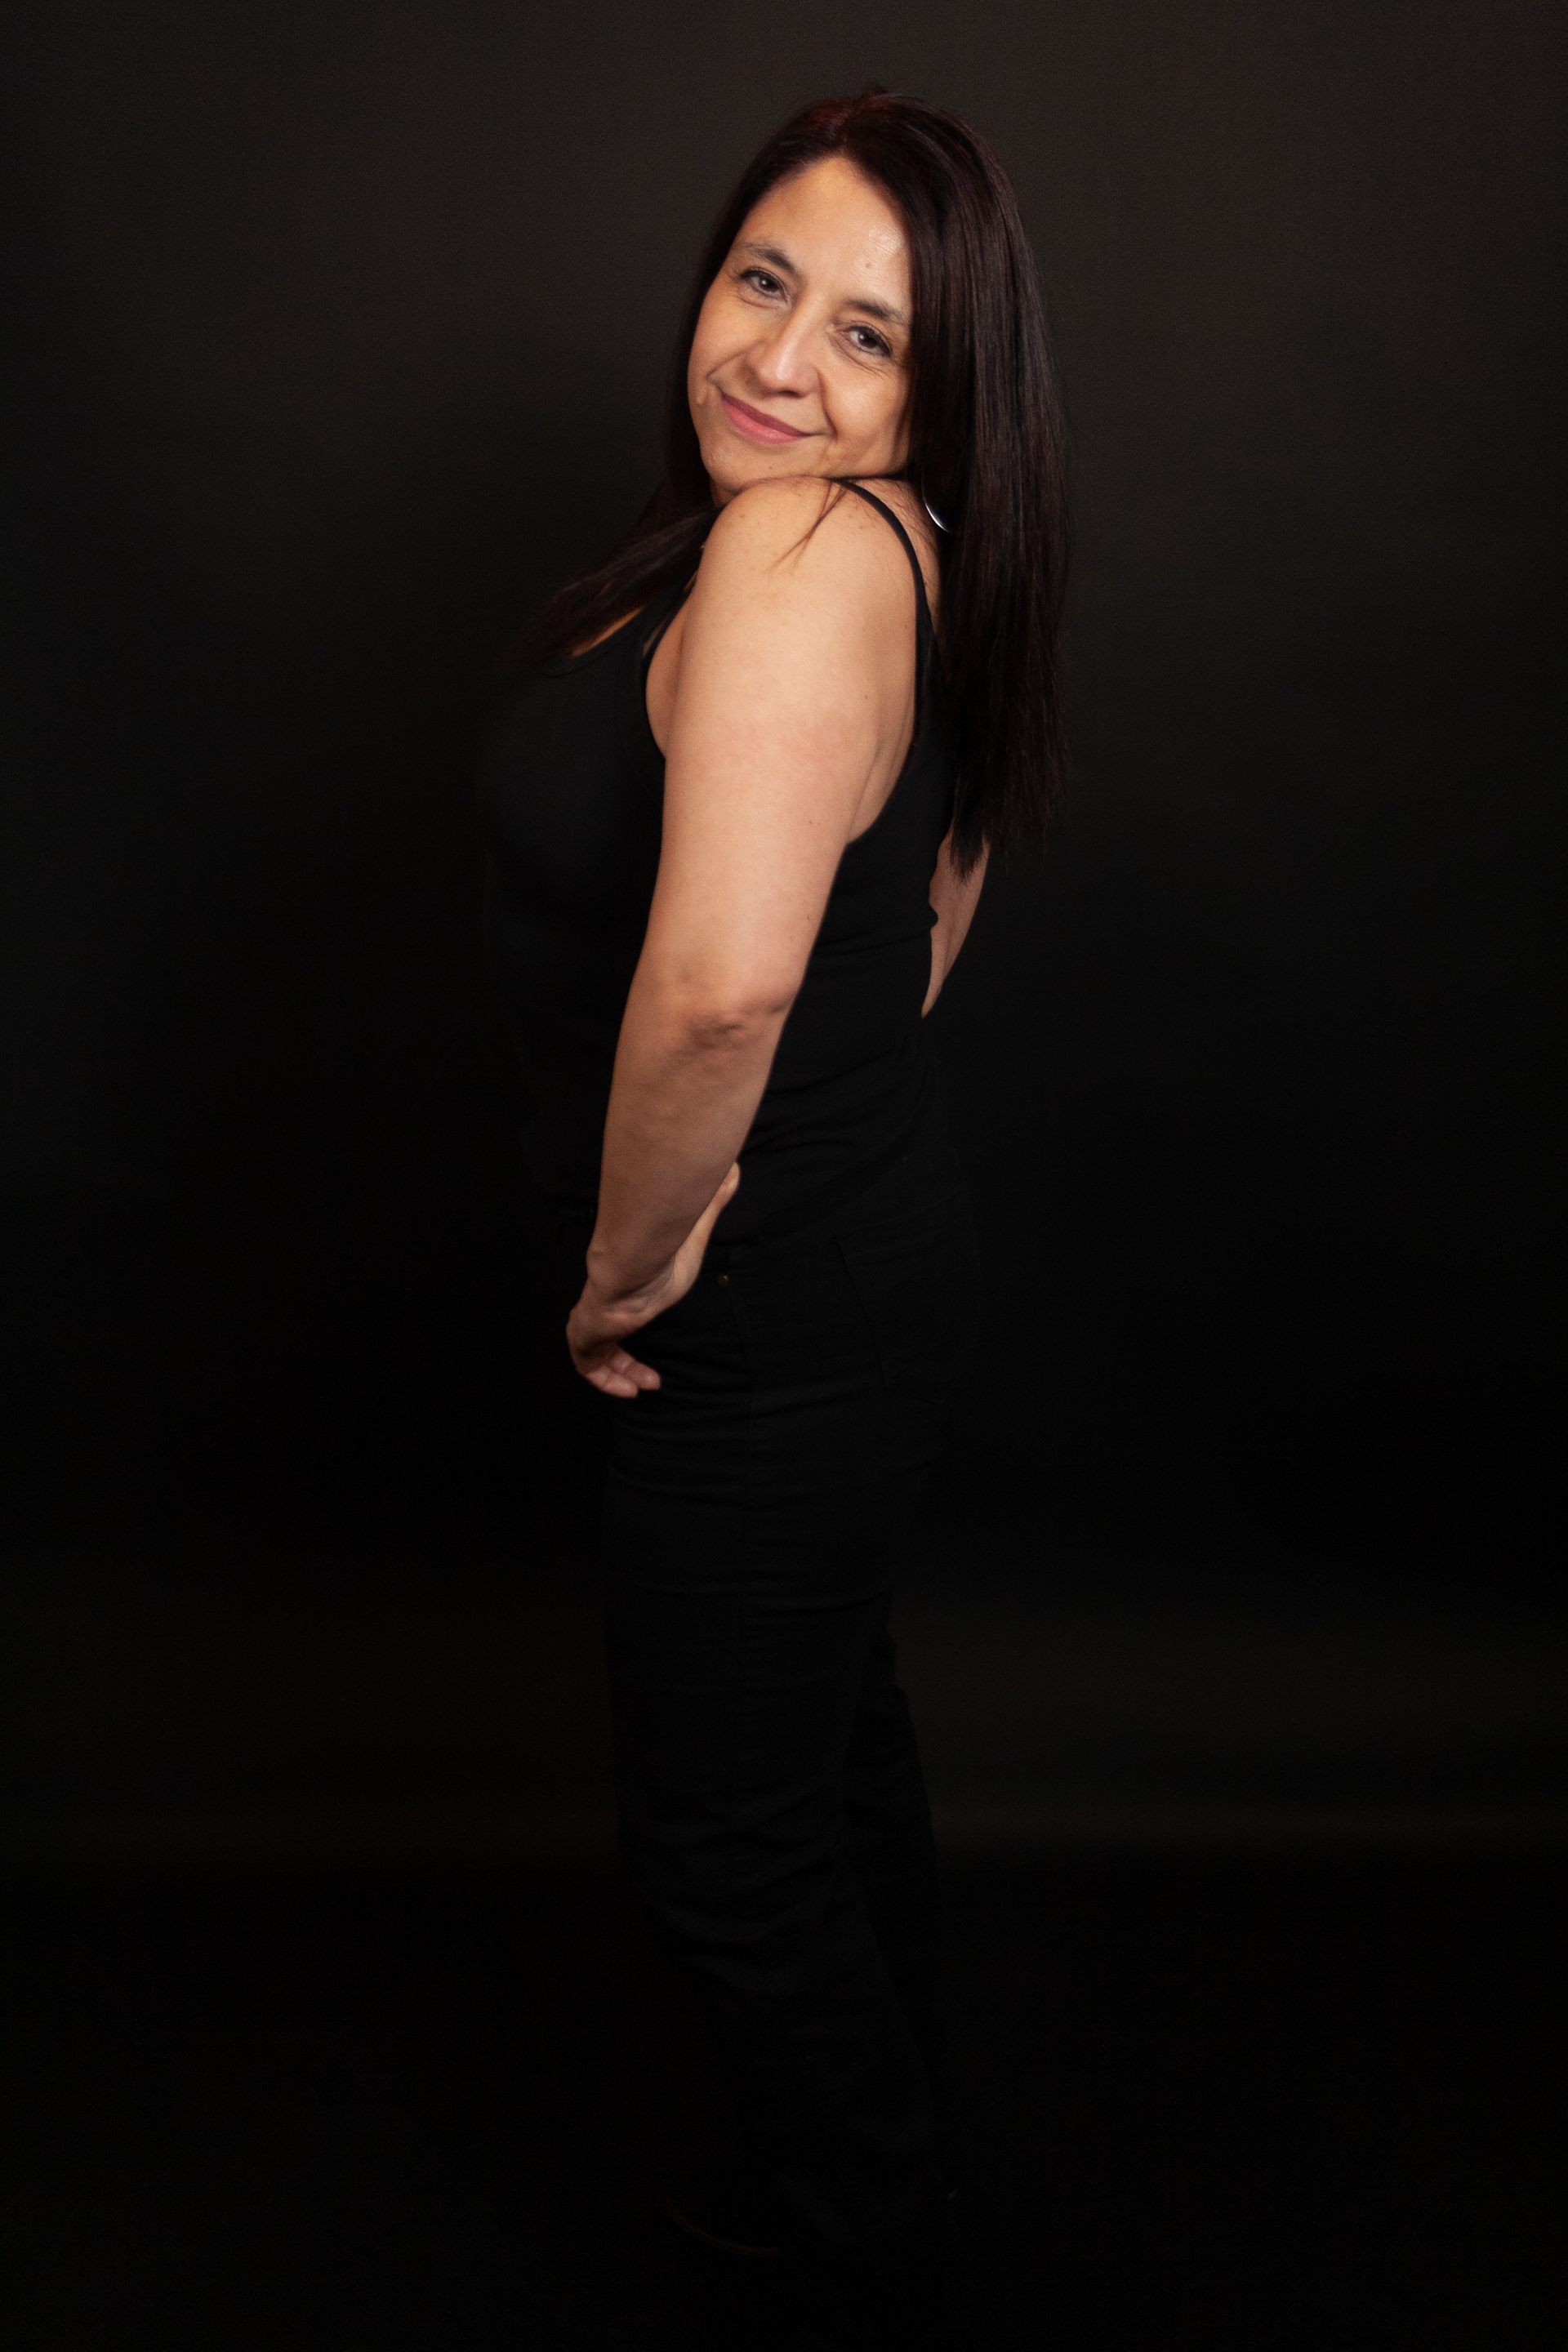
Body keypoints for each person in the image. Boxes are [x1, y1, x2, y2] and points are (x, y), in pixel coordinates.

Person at [479, 86, 1066, 2352]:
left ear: (940, 385)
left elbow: (729, 985)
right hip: (866, 1267)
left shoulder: (799, 552)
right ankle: (893, 2146)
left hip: (760, 1310)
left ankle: (881, 2259)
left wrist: (633, 1265)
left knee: (728, 1847)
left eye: (868, 334)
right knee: (826, 1747)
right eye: (762, 280)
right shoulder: (910, 549)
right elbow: (930, 900)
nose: (783, 360)